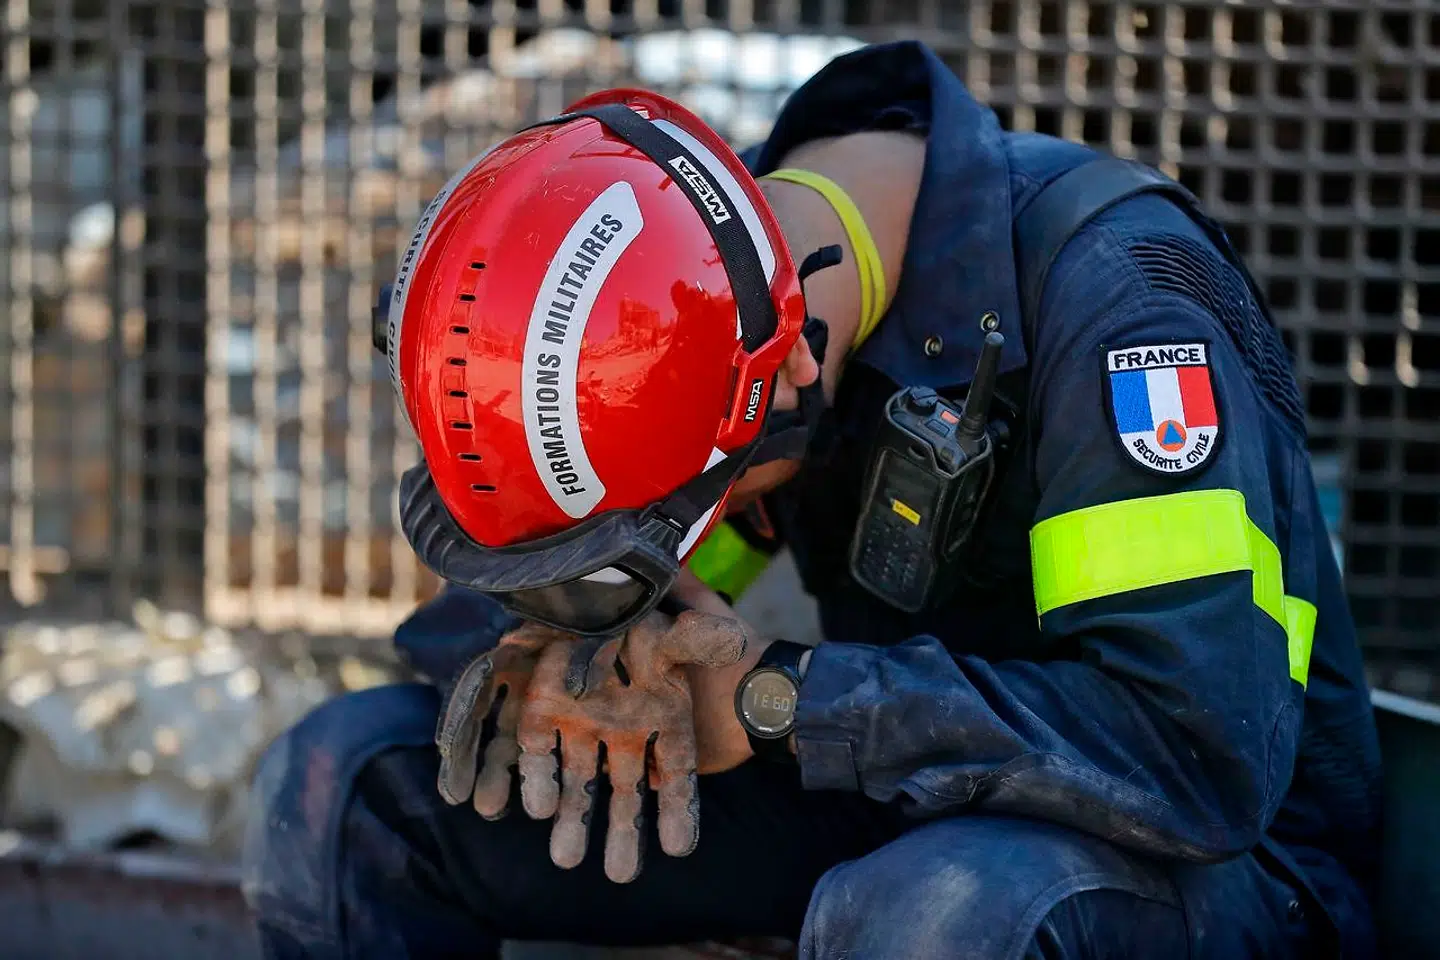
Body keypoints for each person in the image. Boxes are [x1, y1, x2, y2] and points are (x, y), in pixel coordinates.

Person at [242, 41, 1383, 959]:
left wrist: (780, 701)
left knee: (933, 913)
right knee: (347, 784)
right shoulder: (706, 285)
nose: (655, 555)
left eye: (650, 537)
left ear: (786, 378)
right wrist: (564, 642)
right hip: (901, 801)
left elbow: (1196, 760)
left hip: (1215, 868)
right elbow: (584, 610)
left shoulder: (1120, 309)